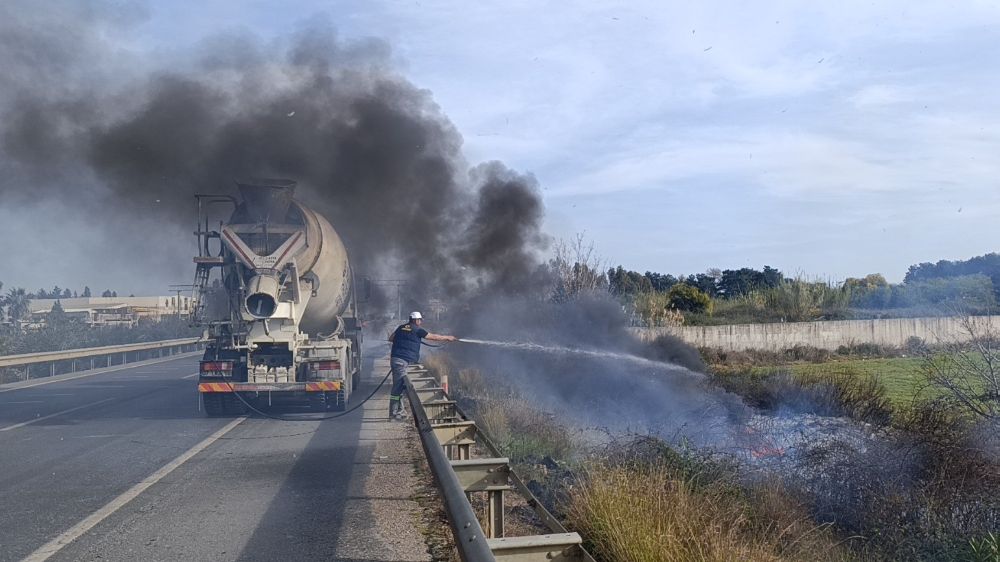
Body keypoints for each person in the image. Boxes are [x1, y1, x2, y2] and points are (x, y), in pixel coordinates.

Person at [387, 311, 456, 419]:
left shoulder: (401, 327)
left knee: (399, 386)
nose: (421, 322)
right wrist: (447, 338)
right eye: (420, 320)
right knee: (397, 388)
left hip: (396, 359)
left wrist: (404, 339)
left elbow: (391, 338)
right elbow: (433, 337)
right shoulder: (417, 330)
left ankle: (399, 411)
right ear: (416, 320)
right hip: (403, 361)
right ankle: (394, 413)